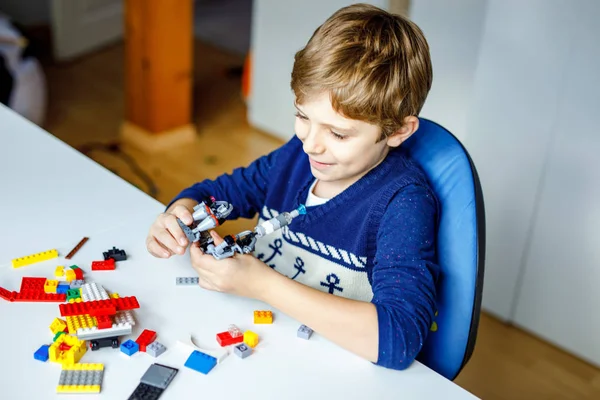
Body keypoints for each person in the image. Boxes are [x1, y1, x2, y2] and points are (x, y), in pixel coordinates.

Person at [146, 3, 439, 371]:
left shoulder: (404, 202)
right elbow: (213, 194)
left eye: (338, 133)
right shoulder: (295, 159)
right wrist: (177, 214)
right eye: (303, 116)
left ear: (398, 132)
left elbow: (398, 339)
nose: (310, 144)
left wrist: (261, 284)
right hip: (261, 350)